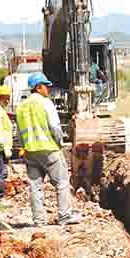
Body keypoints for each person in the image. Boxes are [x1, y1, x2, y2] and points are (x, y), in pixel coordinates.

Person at [16, 73, 82, 226]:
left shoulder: (21, 107)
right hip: (49, 149)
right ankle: (64, 216)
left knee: (35, 187)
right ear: (38, 88)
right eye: (46, 86)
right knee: (62, 182)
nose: (49, 89)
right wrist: (59, 143)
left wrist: (24, 147)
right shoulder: (46, 103)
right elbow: (55, 127)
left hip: (30, 152)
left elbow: (19, 132)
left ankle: (39, 221)